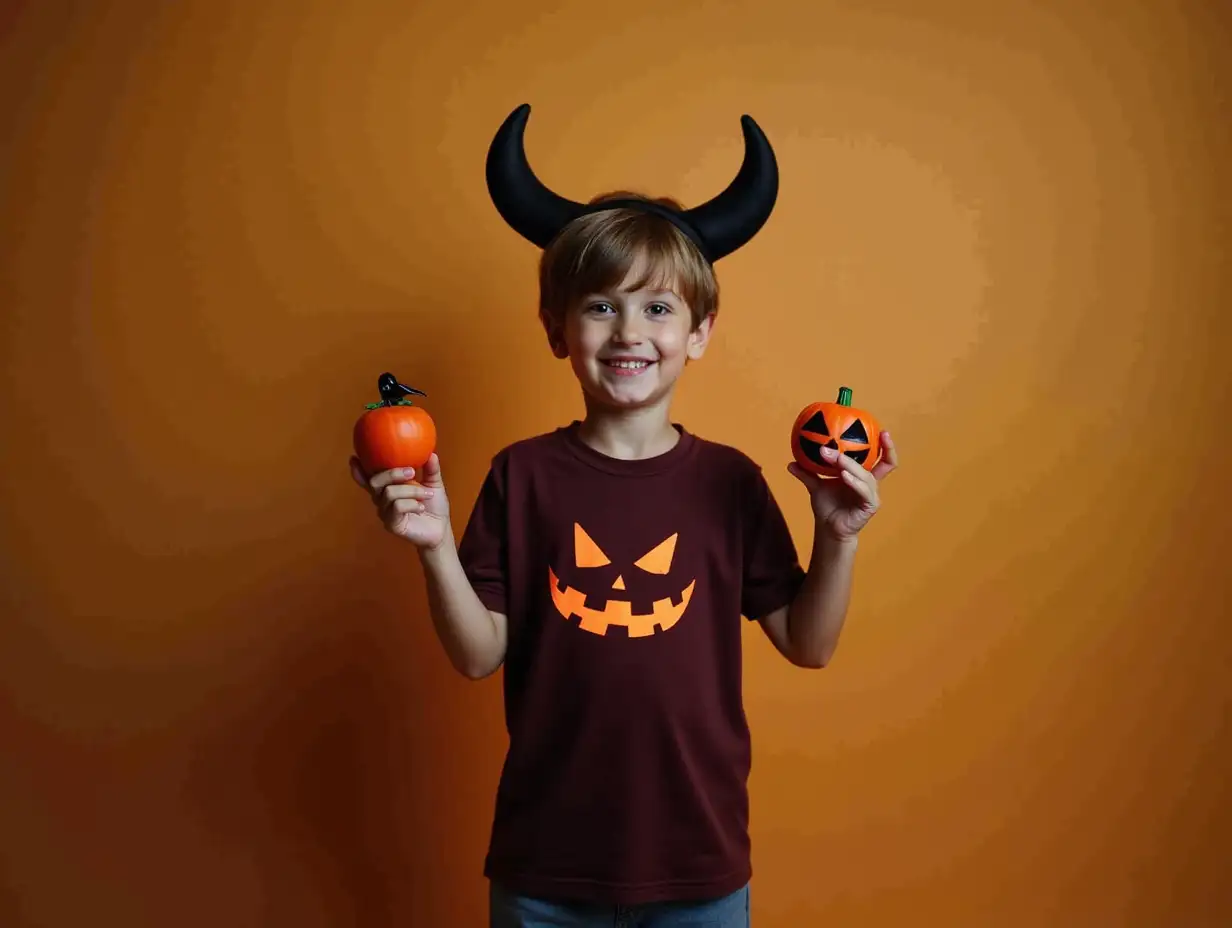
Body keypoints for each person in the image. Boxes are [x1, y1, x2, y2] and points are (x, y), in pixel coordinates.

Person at [350, 104, 898, 927]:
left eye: (658, 308)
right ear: (556, 330)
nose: (628, 332)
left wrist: (838, 535)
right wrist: (432, 548)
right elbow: (476, 656)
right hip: (545, 867)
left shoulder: (730, 482)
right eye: (601, 307)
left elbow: (808, 644)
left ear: (700, 332)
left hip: (698, 867)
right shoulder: (522, 476)